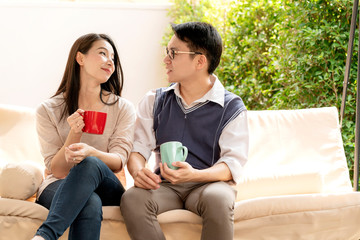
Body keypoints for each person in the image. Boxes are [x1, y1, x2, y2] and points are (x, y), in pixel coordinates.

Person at [120, 22, 249, 240]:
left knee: (219, 198)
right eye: (167, 52)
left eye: (173, 53)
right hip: (165, 187)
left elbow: (232, 164)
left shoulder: (232, 107)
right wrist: (138, 172)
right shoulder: (155, 100)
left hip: (208, 185)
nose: (166, 59)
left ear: (200, 61)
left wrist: (195, 175)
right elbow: (138, 149)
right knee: (132, 198)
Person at [31, 33, 136, 240]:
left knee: (90, 162)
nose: (110, 62)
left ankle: (45, 235)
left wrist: (91, 153)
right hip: (57, 184)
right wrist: (75, 134)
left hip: (107, 184)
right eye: (102, 53)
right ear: (80, 58)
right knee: (89, 203)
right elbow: (59, 170)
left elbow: (118, 161)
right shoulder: (48, 110)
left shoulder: (122, 108)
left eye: (113, 58)